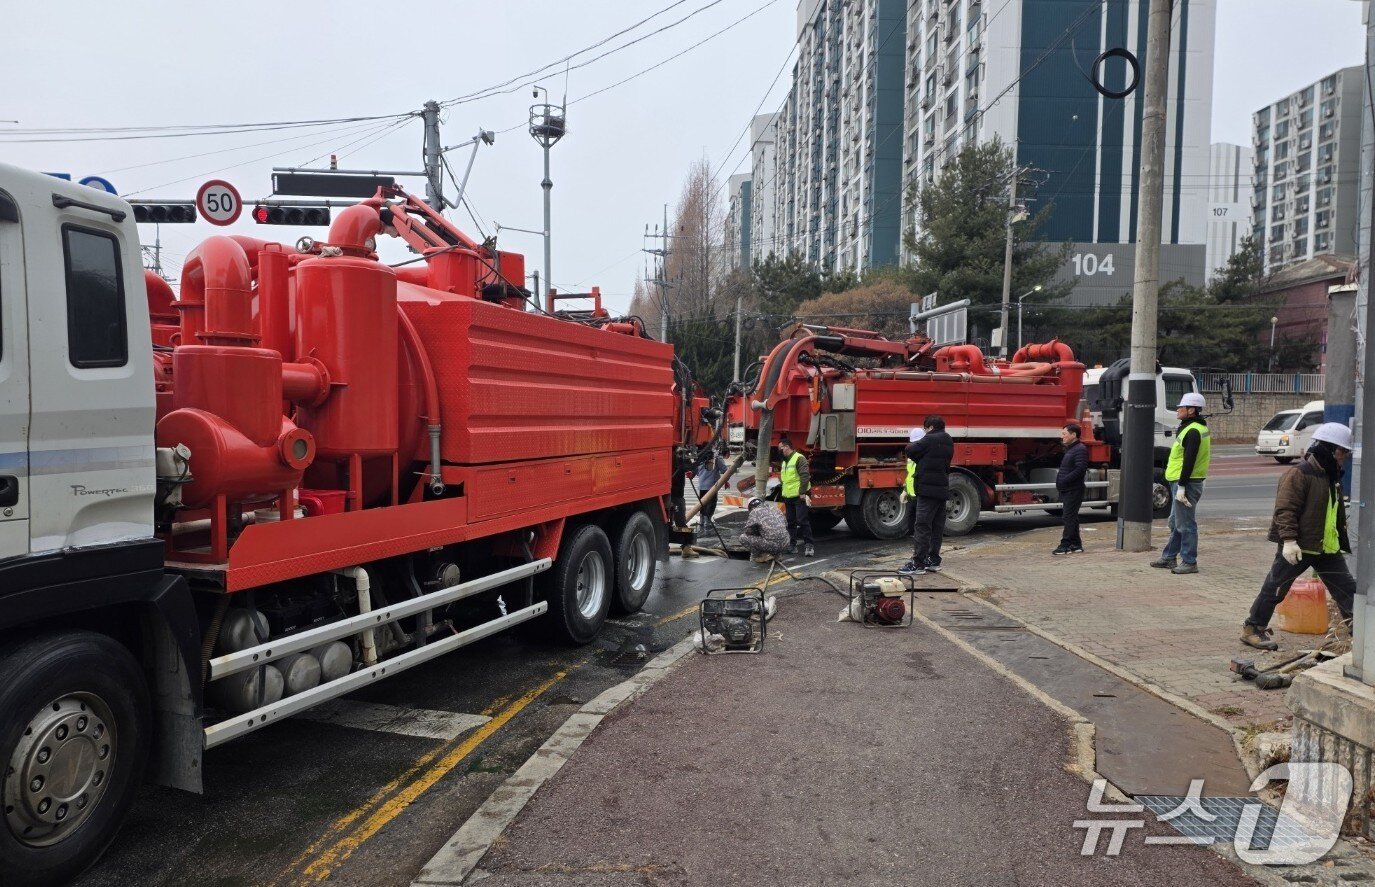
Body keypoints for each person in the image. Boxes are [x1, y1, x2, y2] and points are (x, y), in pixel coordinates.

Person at [1241, 423, 1357, 651]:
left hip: (1326, 549)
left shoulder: (1330, 474)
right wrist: (1289, 541)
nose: (1345, 457)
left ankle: (1361, 631)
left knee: (1346, 589)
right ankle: (1252, 628)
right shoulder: (1299, 474)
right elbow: (1285, 510)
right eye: (1343, 452)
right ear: (1331, 449)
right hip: (1299, 546)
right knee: (1276, 587)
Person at [1149, 392, 1211, 574]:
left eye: (1181, 407)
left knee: (1186, 524)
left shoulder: (1193, 431)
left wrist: (1182, 486)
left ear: (1191, 410)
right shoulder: (1190, 428)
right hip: (1182, 481)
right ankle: (1169, 557)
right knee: (1176, 521)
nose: (1177, 410)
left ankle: (1189, 561)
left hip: (1187, 483)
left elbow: (1189, 461)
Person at [900, 415, 954, 576]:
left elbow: (909, 450)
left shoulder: (929, 439)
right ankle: (933, 560)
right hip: (942, 489)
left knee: (922, 526)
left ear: (930, 427)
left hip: (927, 491)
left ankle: (918, 563)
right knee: (937, 527)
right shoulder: (948, 440)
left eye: (925, 429)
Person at [1053, 423, 1088, 555]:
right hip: (1068, 488)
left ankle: (1065, 544)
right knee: (1071, 517)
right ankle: (1076, 545)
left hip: (1074, 489)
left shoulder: (1080, 449)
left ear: (1073, 435)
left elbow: (1080, 469)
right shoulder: (1071, 449)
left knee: (1068, 517)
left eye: (1064, 434)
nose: (1062, 436)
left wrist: (1064, 480)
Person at [777, 438, 815, 557]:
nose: (779, 450)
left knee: (802, 520)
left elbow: (805, 476)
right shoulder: (784, 461)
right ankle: (792, 546)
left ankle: (809, 546)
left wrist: (803, 492)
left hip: (799, 496)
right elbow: (785, 479)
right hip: (788, 495)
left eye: (781, 448)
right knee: (791, 522)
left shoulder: (799, 458)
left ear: (787, 447)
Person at [740, 496, 790, 564]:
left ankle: (763, 556)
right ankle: (777, 555)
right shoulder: (776, 509)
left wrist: (758, 532)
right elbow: (786, 525)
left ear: (750, 508)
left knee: (743, 538)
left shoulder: (754, 512)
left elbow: (748, 531)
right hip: (785, 544)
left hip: (771, 545)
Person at [694, 447, 728, 533]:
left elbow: (697, 472)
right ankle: (707, 523)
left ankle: (702, 521)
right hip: (712, 486)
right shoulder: (716, 457)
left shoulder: (700, 457)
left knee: (702, 504)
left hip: (702, 485)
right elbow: (724, 469)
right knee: (711, 504)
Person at [900, 427, 925, 533]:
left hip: (921, 494)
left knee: (921, 523)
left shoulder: (926, 455)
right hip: (912, 495)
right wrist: (905, 491)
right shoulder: (911, 456)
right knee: (912, 521)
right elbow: (910, 474)